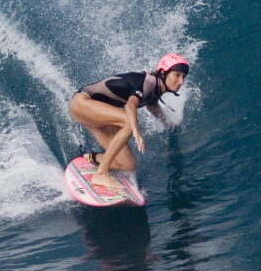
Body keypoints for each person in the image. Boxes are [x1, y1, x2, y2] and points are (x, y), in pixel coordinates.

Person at [69, 53, 189, 188]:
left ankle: (91, 159)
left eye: (183, 77)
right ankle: (101, 175)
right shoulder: (148, 82)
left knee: (128, 165)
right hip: (82, 103)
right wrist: (136, 132)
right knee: (127, 120)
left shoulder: (156, 89)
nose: (181, 82)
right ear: (163, 73)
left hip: (97, 115)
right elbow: (130, 105)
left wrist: (168, 123)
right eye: (177, 75)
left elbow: (152, 105)